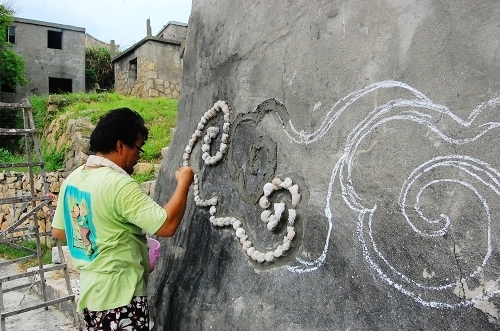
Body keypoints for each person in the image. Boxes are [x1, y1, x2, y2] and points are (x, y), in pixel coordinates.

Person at [51, 107, 194, 331]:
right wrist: (184, 182)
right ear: (120, 145)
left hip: (92, 295)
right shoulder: (118, 184)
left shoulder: (73, 179)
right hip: (121, 299)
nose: (138, 156)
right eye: (138, 148)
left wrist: (103, 235)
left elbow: (60, 231)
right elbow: (166, 226)